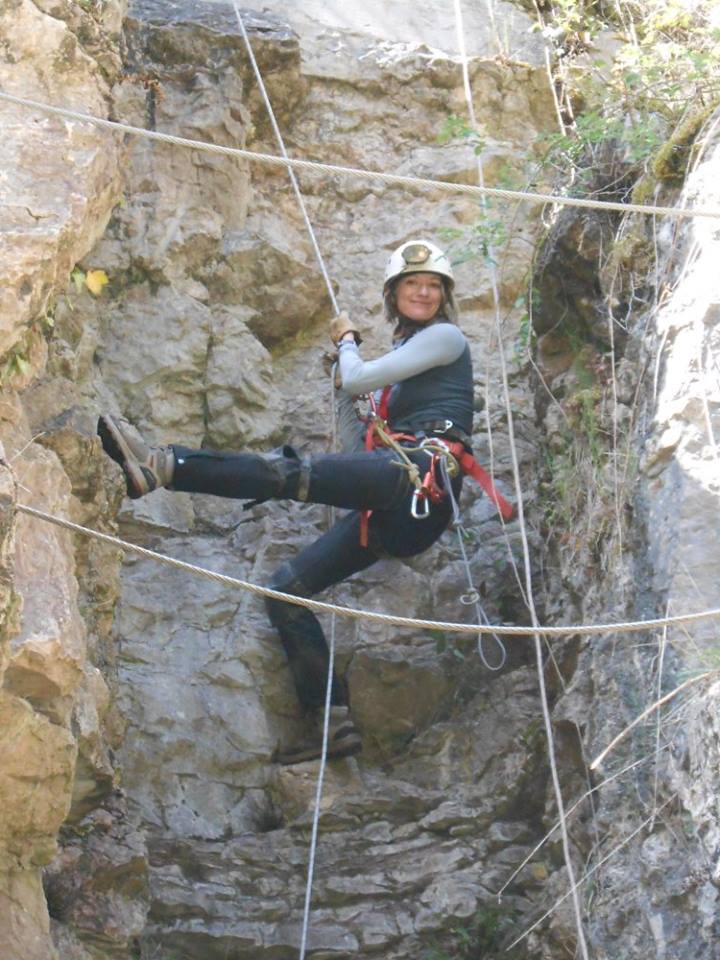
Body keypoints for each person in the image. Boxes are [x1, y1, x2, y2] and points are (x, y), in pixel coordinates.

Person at [98, 239, 477, 765]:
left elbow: (359, 374)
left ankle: (164, 466)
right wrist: (347, 394)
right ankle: (331, 721)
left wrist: (348, 343)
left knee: (289, 472)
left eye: (433, 285)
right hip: (395, 504)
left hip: (420, 480)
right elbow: (357, 448)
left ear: (444, 296)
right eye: (412, 283)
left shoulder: (447, 337)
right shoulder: (406, 370)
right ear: (394, 293)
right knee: (285, 591)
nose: (424, 292)